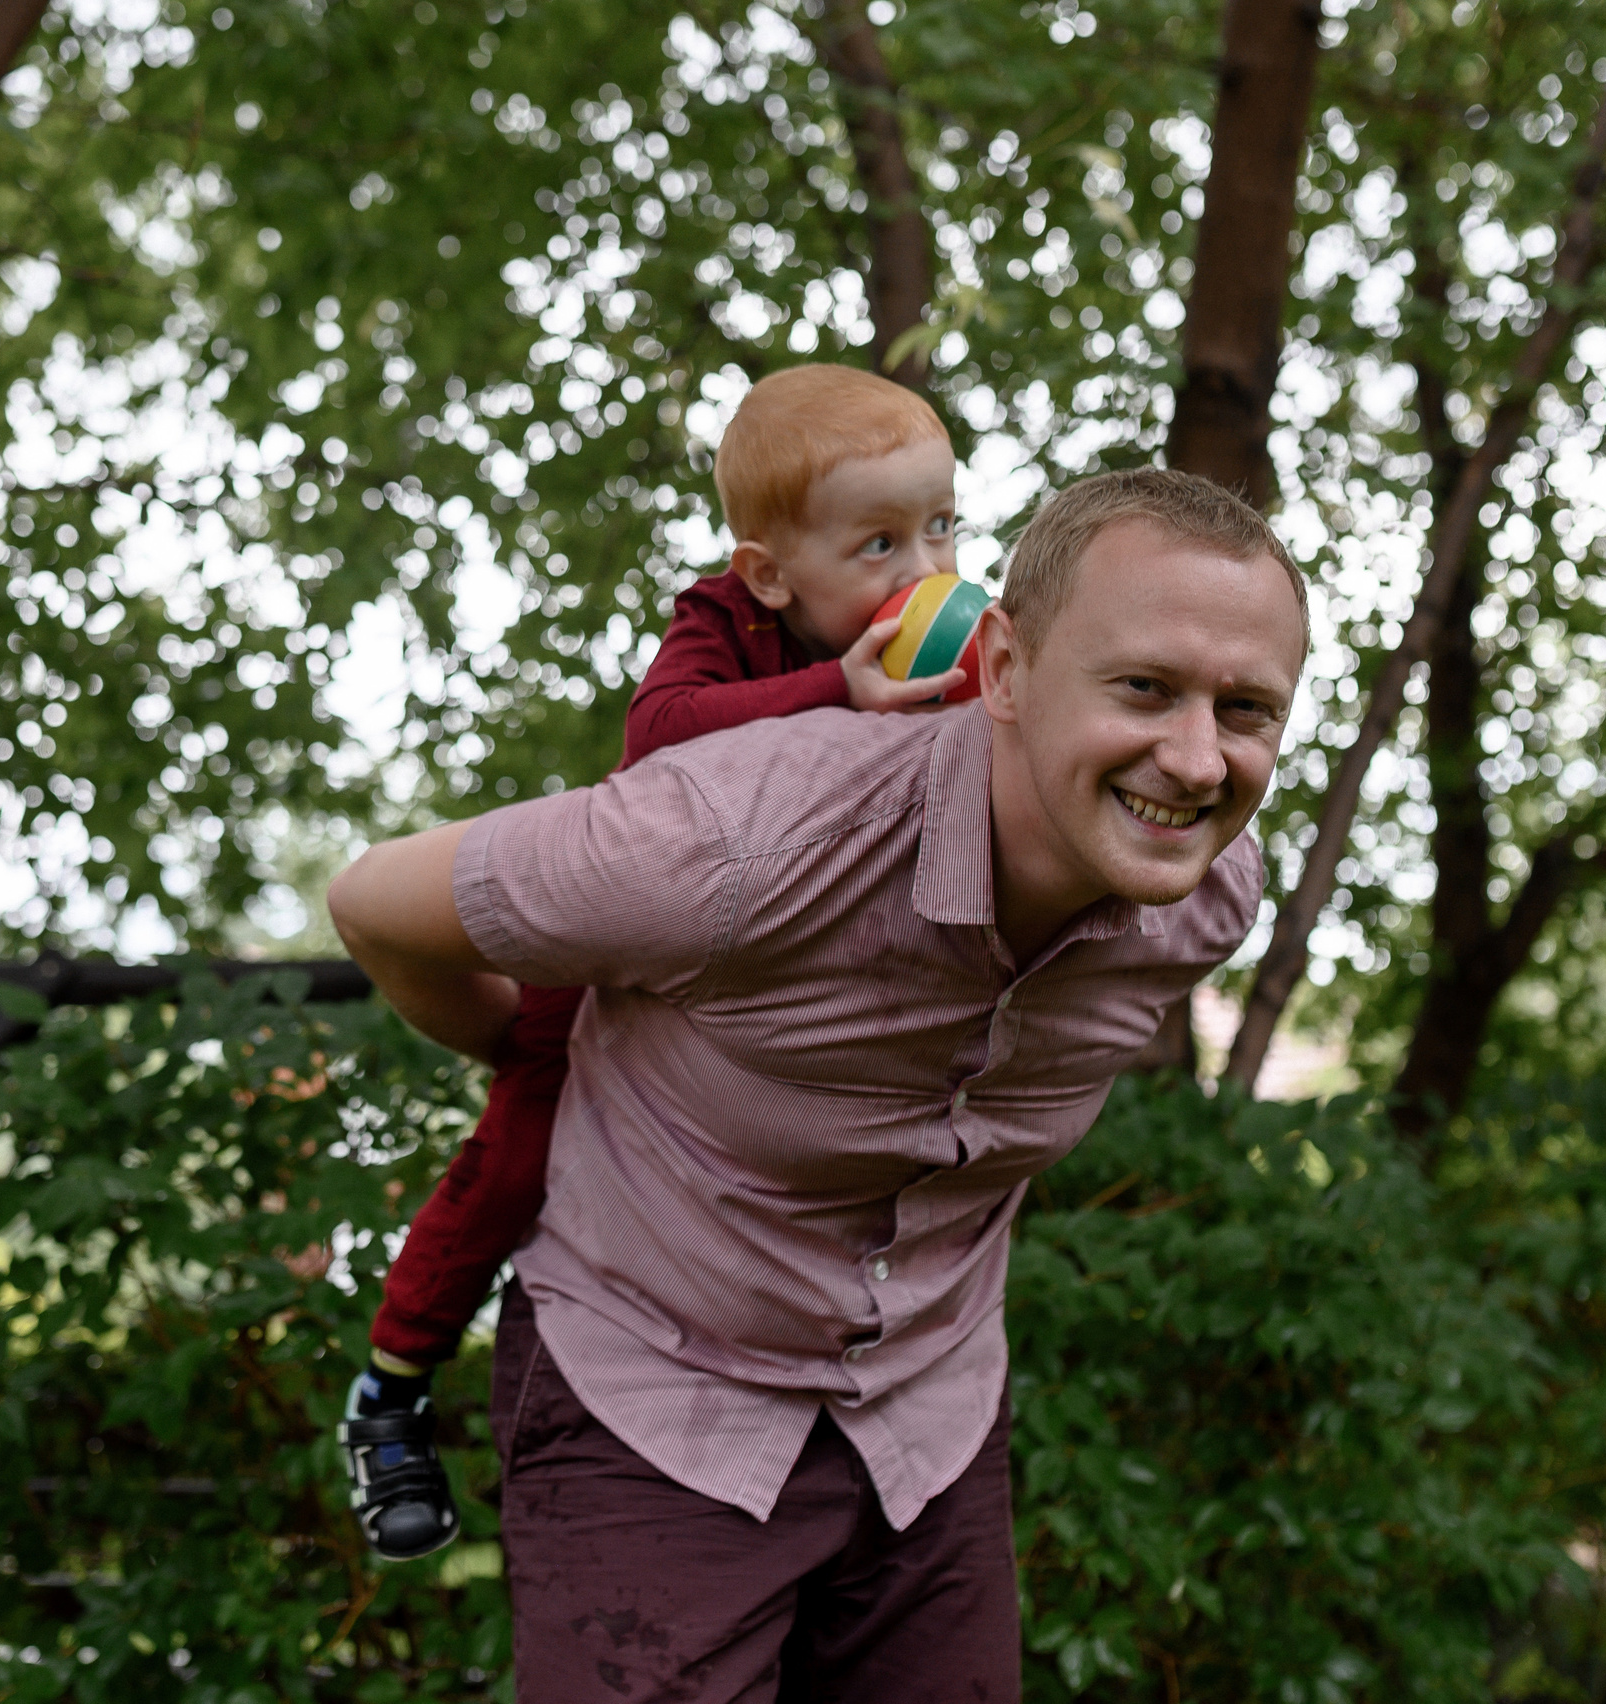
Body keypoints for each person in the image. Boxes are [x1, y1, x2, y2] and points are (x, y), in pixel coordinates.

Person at [325, 465, 1310, 1700]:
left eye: (1246, 709)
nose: (1198, 760)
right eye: (1145, 689)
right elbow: (375, 903)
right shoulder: (731, 843)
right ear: (1004, 669)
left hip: (928, 1420)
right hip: (654, 1393)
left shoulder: (1203, 899)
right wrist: (545, 1061)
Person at [337, 364, 968, 1561]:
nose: (924, 567)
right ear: (769, 572)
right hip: (631, 941)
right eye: (881, 542)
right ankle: (391, 1388)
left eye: (941, 525)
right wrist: (836, 691)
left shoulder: (936, 643)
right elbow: (657, 731)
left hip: (776, 987)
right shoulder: (725, 621)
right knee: (517, 1149)